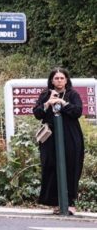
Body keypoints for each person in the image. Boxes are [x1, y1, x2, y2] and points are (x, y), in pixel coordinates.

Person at [33, 67, 84, 215]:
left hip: (70, 136)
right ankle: (55, 201)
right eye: (56, 78)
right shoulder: (45, 94)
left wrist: (62, 102)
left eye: (62, 78)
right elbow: (37, 113)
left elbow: (77, 111)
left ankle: (70, 202)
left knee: (71, 166)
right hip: (50, 137)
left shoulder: (72, 94)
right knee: (51, 166)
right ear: (51, 80)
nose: (59, 81)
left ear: (66, 80)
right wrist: (48, 102)